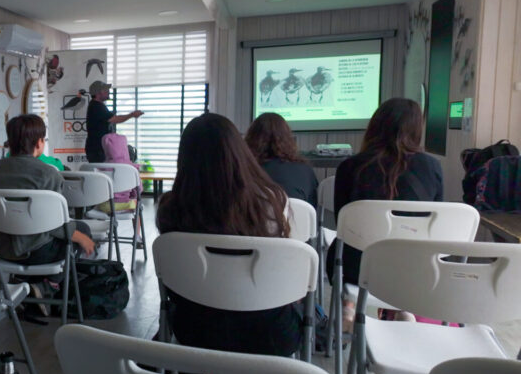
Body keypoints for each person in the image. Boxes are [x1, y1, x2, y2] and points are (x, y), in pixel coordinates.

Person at [157, 113, 302, 356]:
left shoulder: (170, 208)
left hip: (195, 332)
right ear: (240, 152)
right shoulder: (273, 201)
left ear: (184, 159)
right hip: (270, 334)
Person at [329, 98, 442, 323]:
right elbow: (435, 225)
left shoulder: (349, 167)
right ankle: (403, 308)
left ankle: (349, 304)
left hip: (359, 269)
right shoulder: (432, 167)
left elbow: (342, 222)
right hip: (415, 270)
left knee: (345, 243)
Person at [0, 114, 96, 263]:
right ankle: (54, 278)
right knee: (83, 229)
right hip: (38, 252)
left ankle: (25, 276)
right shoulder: (48, 174)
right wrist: (81, 237)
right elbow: (54, 223)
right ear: (38, 143)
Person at [245, 112, 319, 206]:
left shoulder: (243, 170)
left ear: (251, 138)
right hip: (295, 216)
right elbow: (312, 209)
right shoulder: (305, 170)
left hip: (256, 215)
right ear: (288, 138)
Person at [84, 80, 143, 163]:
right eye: (105, 90)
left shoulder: (98, 105)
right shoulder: (96, 106)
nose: (108, 91)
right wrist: (132, 115)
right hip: (97, 150)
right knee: (102, 170)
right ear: (98, 93)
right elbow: (115, 119)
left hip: (99, 149)